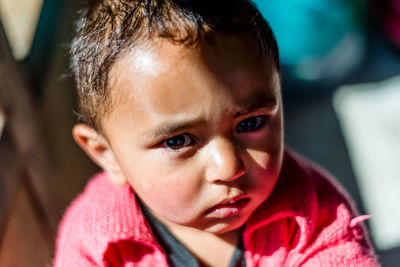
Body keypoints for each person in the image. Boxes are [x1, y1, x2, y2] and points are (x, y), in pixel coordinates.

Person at [54, 0, 378, 266]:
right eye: (178, 141)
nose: (228, 167)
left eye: (250, 123)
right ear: (106, 154)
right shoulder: (94, 239)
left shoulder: (316, 217)